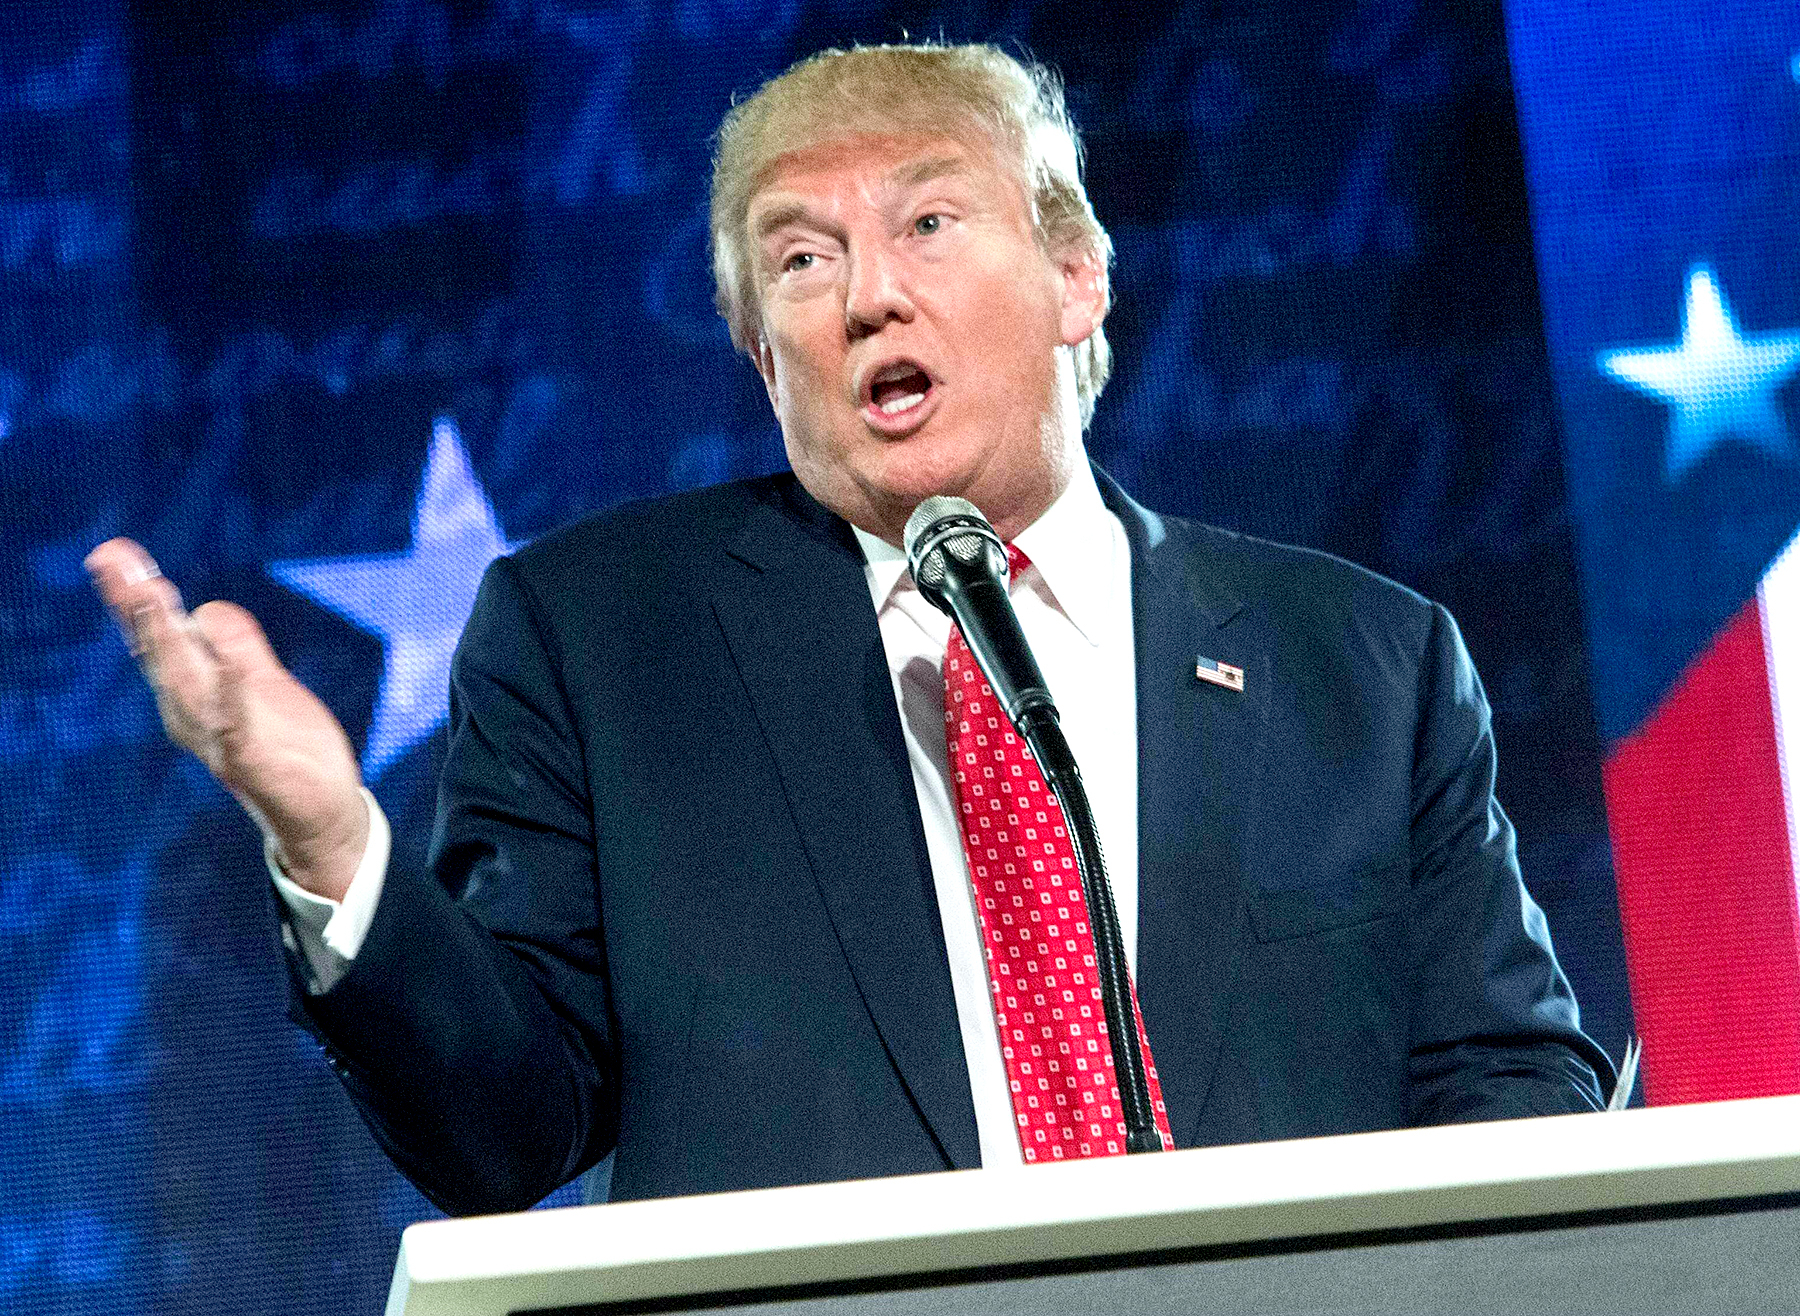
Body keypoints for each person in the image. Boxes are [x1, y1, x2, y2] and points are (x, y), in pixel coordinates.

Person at [87, 42, 1610, 1217]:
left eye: (931, 220)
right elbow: (505, 1130)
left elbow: (1508, 1084)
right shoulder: (601, 642)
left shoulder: (1363, 658)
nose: (868, 295)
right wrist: (335, 849)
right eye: (801, 260)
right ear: (764, 354)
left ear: (1077, 277)